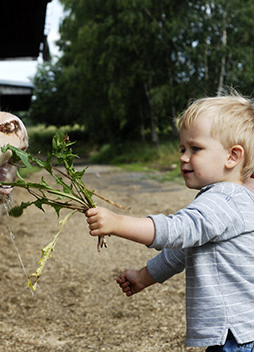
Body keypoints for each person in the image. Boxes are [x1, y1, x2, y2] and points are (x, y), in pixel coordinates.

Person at [85, 93, 254, 351]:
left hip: (235, 337)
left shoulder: (224, 200)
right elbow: (181, 252)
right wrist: (143, 277)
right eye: (182, 149)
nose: (184, 157)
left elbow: (175, 231)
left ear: (232, 156)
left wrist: (117, 223)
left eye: (195, 149)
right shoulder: (230, 199)